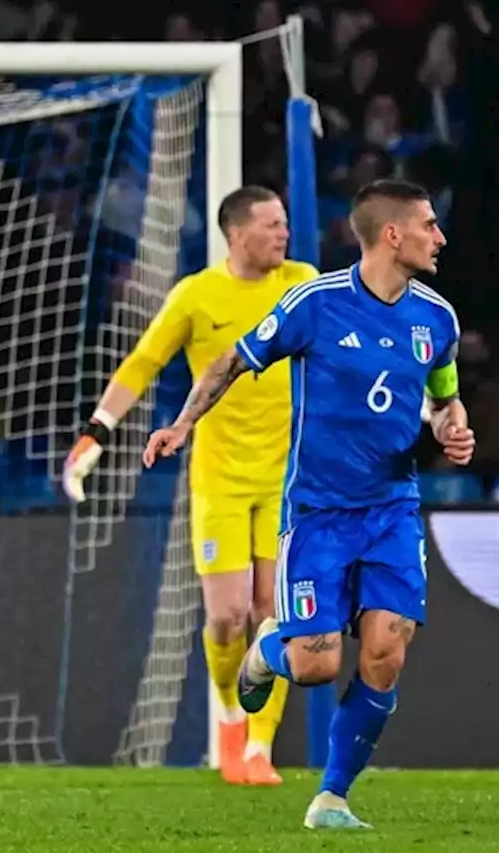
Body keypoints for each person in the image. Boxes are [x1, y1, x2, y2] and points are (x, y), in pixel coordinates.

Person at [143, 179, 475, 829]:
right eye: (429, 225)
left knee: (387, 647)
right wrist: (183, 425)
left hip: (392, 507)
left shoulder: (437, 318)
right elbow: (230, 362)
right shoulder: (316, 303)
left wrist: (450, 427)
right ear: (392, 234)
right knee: (317, 663)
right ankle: (268, 649)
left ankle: (332, 796)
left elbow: (443, 397)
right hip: (319, 513)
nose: (440, 238)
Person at [63, 186, 318, 785]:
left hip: (288, 477)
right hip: (220, 478)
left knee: (271, 610)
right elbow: (144, 363)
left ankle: (259, 747)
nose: (284, 234)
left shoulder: (303, 281)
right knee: (229, 618)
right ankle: (231, 714)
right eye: (272, 224)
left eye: (285, 223)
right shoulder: (198, 294)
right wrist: (97, 432)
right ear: (237, 234)